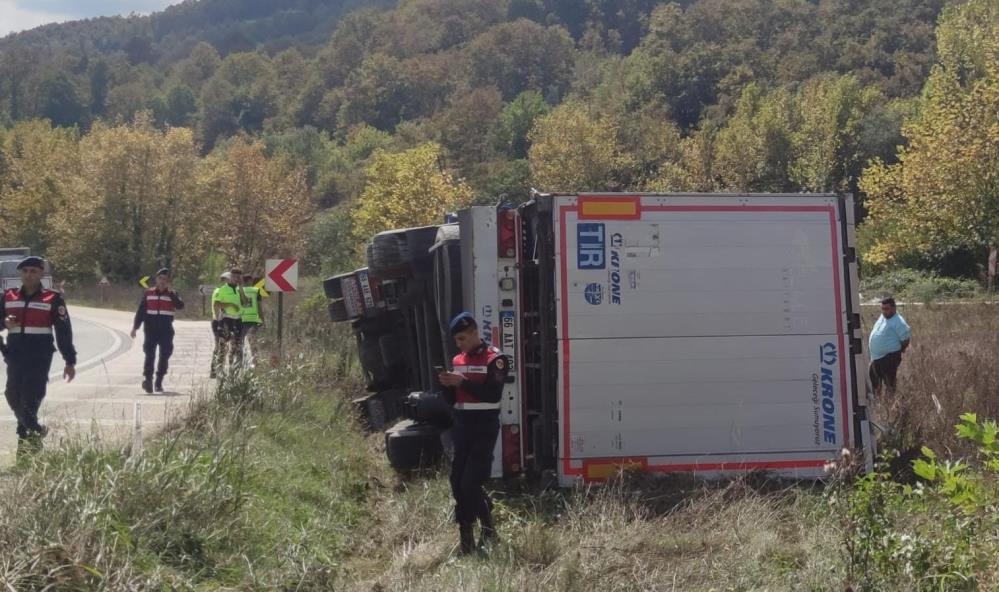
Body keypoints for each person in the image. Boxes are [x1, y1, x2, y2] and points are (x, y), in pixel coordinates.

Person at [438, 312, 509, 554]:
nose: (459, 345)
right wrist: (446, 386)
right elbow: (453, 399)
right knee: (457, 482)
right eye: (456, 341)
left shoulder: (496, 359)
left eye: (462, 339)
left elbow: (492, 395)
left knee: (470, 483)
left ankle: (468, 538)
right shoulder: (458, 360)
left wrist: (462, 383)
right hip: (463, 425)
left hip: (484, 427)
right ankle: (485, 529)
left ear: (475, 333)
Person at [0, 257, 76, 455]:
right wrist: (4, 324)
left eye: (33, 271)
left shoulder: (52, 299)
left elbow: (64, 332)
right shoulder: (8, 296)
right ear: (20, 274)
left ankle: (27, 454)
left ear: (41, 274)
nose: (28, 275)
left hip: (39, 356)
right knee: (11, 394)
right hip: (15, 354)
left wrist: (70, 360)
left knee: (30, 401)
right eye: (25, 271)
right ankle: (37, 430)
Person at [131, 268, 184, 393]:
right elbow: (141, 312)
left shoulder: (172, 294)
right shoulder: (148, 293)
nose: (162, 281)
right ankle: (148, 380)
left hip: (166, 330)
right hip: (150, 330)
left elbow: (180, 306)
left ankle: (159, 380)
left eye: (165, 279)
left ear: (168, 281)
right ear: (156, 280)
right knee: (150, 355)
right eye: (160, 278)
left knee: (165, 355)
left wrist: (172, 295)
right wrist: (135, 328)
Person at [869, 297, 911, 396]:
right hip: (875, 357)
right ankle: (878, 405)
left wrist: (900, 349)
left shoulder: (899, 322)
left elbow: (906, 339)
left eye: (886, 309)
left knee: (889, 384)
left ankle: (890, 406)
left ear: (894, 308)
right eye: (882, 309)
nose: (884, 311)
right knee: (875, 383)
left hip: (889, 357)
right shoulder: (883, 317)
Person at [211, 268, 248, 377]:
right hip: (226, 320)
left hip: (238, 320)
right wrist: (230, 305)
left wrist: (241, 288)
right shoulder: (222, 289)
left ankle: (234, 371)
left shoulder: (240, 289)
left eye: (239, 277)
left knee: (237, 346)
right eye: (234, 277)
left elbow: (245, 303)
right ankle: (218, 370)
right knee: (223, 346)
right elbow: (216, 304)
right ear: (230, 277)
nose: (236, 279)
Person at [239, 274, 265, 367]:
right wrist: (262, 319)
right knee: (253, 342)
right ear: (250, 281)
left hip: (241, 320)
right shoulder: (256, 291)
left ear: (243, 281)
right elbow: (259, 307)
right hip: (253, 320)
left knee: (239, 343)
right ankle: (255, 362)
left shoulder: (239, 291)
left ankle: (240, 362)